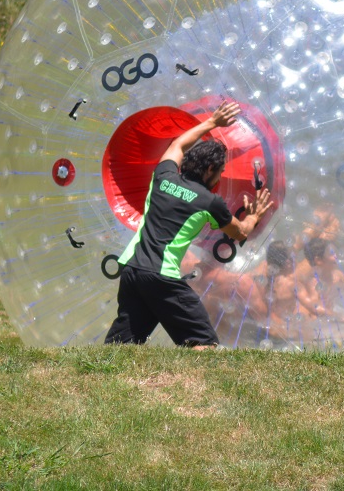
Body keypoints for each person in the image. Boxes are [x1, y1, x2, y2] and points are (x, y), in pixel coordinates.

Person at [104, 101, 273, 348]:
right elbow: (241, 232)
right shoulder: (209, 201)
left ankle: (101, 378)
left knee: (122, 345)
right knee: (203, 342)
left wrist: (212, 122)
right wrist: (255, 215)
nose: (219, 178)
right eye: (220, 172)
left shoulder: (163, 176)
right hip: (162, 277)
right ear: (211, 170)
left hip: (132, 269)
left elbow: (177, 145)